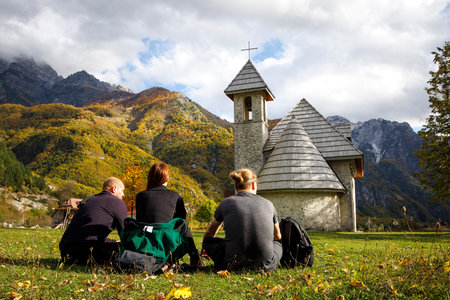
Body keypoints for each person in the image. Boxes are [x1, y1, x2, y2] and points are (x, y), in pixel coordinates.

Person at [201, 168, 282, 272]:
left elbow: (209, 233)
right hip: (265, 267)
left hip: (232, 266)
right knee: (277, 244)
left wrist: (205, 247)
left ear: (236, 186)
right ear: (253, 185)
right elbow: (278, 236)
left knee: (208, 241)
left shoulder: (226, 203)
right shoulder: (268, 204)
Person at [135, 162, 203, 267]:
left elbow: (141, 219)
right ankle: (195, 257)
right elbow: (180, 221)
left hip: (145, 244)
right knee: (184, 225)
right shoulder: (175, 196)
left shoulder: (140, 196)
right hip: (167, 244)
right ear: (166, 179)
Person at [59, 177, 128, 265]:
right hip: (88, 251)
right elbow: (125, 233)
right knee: (124, 249)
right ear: (114, 189)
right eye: (122, 191)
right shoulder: (118, 203)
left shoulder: (89, 200)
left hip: (66, 251)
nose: (123, 195)